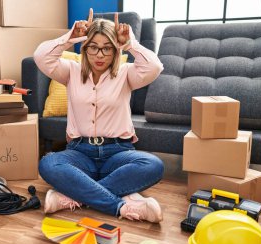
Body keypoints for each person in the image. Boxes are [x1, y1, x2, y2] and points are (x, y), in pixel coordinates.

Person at [33, 8, 165, 223]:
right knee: (48, 164)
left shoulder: (126, 73)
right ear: (85, 48)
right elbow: (41, 56)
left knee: (153, 165)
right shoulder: (71, 71)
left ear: (115, 50)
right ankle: (120, 204)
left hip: (118, 152)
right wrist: (70, 38)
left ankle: (70, 195)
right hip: (79, 152)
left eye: (107, 48)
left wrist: (130, 43)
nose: (100, 55)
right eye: (93, 48)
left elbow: (155, 66)